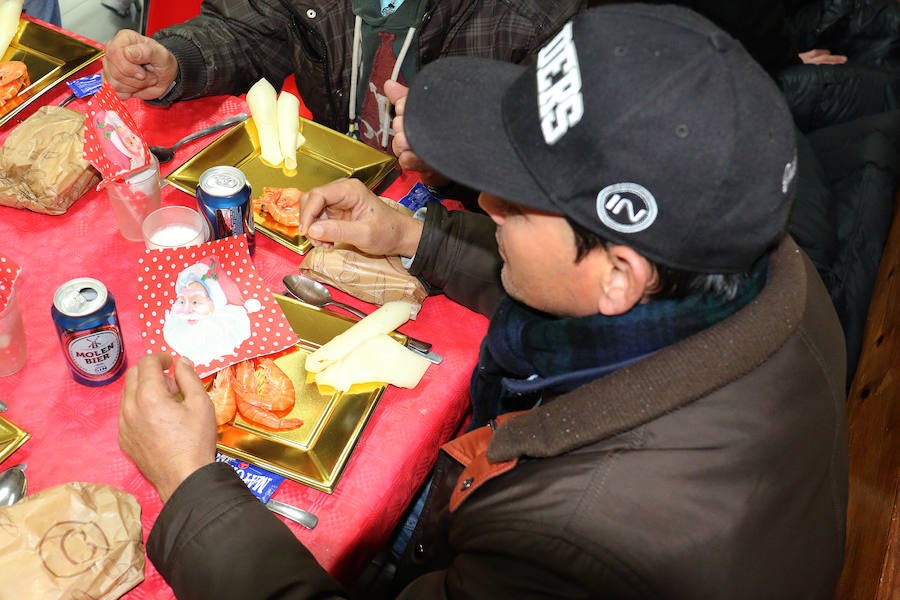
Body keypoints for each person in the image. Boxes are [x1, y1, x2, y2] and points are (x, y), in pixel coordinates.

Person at [118, 5, 849, 598]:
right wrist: (412, 232)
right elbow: (564, 278)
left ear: (621, 272)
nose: (488, 202)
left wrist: (190, 488)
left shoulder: (571, 547)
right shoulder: (760, 265)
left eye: (519, 203)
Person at [100, 0, 586, 182]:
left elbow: (560, 169)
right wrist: (175, 63)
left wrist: (465, 150)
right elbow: (250, 29)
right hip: (339, 173)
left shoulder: (539, 18)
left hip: (462, 219)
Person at [163, 257, 262, 366]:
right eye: (182, 301)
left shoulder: (227, 329)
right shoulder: (175, 332)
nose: (187, 310)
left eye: (196, 302)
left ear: (214, 303)